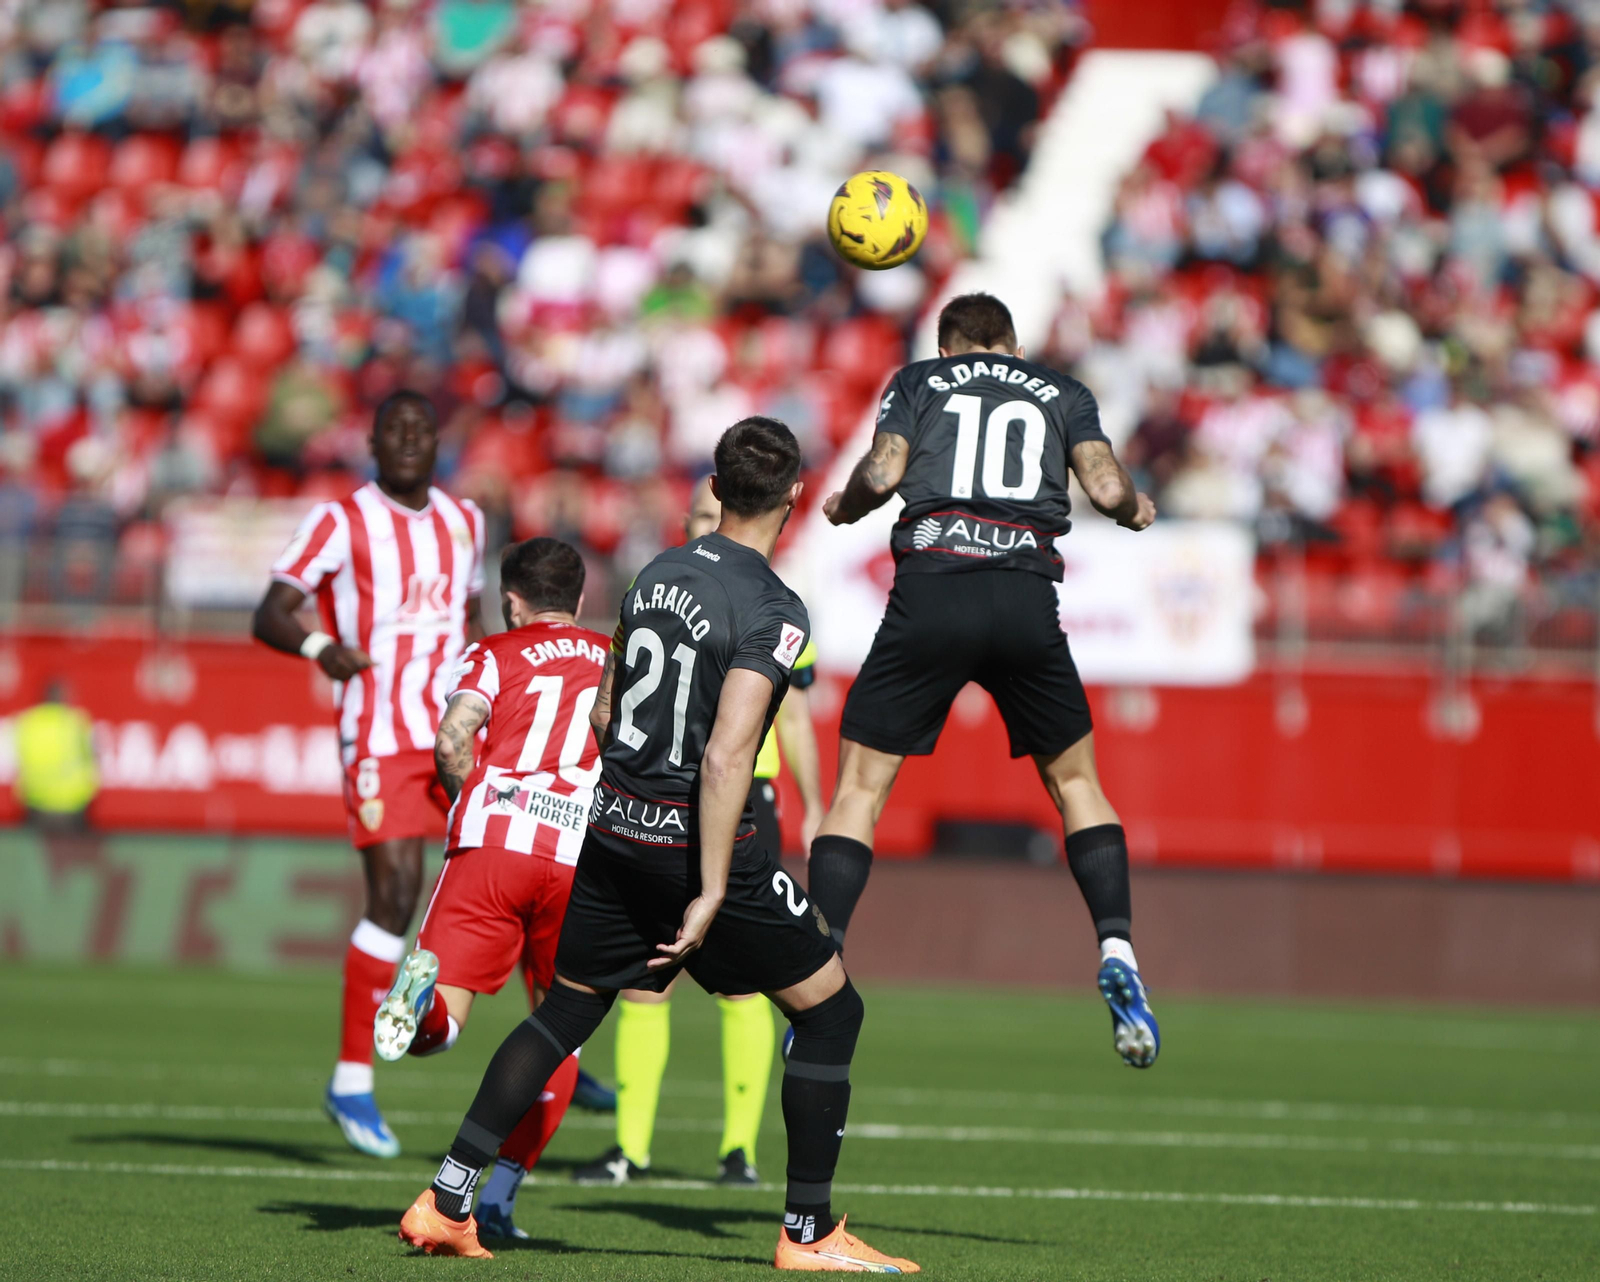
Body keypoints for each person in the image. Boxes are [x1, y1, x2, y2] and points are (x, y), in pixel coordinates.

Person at [398, 418, 918, 1272]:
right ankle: (809, 1235)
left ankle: (447, 1198)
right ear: (793, 495)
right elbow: (727, 756)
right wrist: (712, 885)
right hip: (697, 844)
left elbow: (606, 712)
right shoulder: (776, 609)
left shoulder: (654, 573)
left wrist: (629, 805)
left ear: (715, 489)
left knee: (565, 1011)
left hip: (612, 831)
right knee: (831, 1009)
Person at [810, 293, 1163, 1068]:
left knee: (860, 790)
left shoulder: (918, 380)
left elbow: (884, 468)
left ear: (949, 347)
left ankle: (821, 962)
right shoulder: (1063, 392)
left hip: (932, 586)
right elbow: (1106, 491)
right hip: (1023, 593)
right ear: (1011, 341)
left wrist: (845, 508)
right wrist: (1136, 509)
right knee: (1075, 783)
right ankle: (1118, 948)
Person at [572, 476, 824, 1189]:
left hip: (747, 797)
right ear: (691, 521)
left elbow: (796, 714)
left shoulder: (769, 606)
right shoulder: (669, 594)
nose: (722, 527)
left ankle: (739, 1150)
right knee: (646, 985)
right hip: (668, 797)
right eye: (708, 518)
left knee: (743, 987)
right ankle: (630, 1148)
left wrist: (818, 799)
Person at [253, 390, 485, 1157]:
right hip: (378, 733)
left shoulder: (466, 521)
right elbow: (272, 611)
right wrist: (323, 651)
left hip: (450, 734)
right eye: (397, 430)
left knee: (484, 876)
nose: (411, 439)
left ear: (438, 440)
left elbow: (474, 622)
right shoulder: (340, 521)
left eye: (423, 428)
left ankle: (548, 1048)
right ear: (375, 443)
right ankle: (352, 1079)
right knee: (392, 891)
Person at [373, 536, 610, 1240]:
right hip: (578, 856)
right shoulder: (615, 659)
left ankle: (423, 1009)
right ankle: (498, 1199)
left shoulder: (493, 652)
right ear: (579, 597)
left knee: (440, 1027)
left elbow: (452, 741)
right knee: (561, 1032)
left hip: (493, 843)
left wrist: (465, 800)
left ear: (512, 600)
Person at [12, 679, 97, 828]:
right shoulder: (76, 722)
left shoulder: (27, 722)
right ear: (64, 697)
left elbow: (18, 759)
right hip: (72, 807)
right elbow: (93, 759)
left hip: (35, 805)